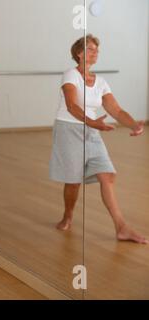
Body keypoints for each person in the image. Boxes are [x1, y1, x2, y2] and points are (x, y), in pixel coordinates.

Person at [49, 34, 147, 244]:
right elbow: (71, 106)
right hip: (69, 130)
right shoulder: (70, 75)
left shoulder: (101, 81)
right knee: (74, 182)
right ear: (80, 53)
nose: (96, 53)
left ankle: (121, 227)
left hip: (92, 132)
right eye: (91, 49)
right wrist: (93, 123)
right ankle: (68, 215)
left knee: (107, 175)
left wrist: (134, 124)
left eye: (97, 50)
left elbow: (116, 110)